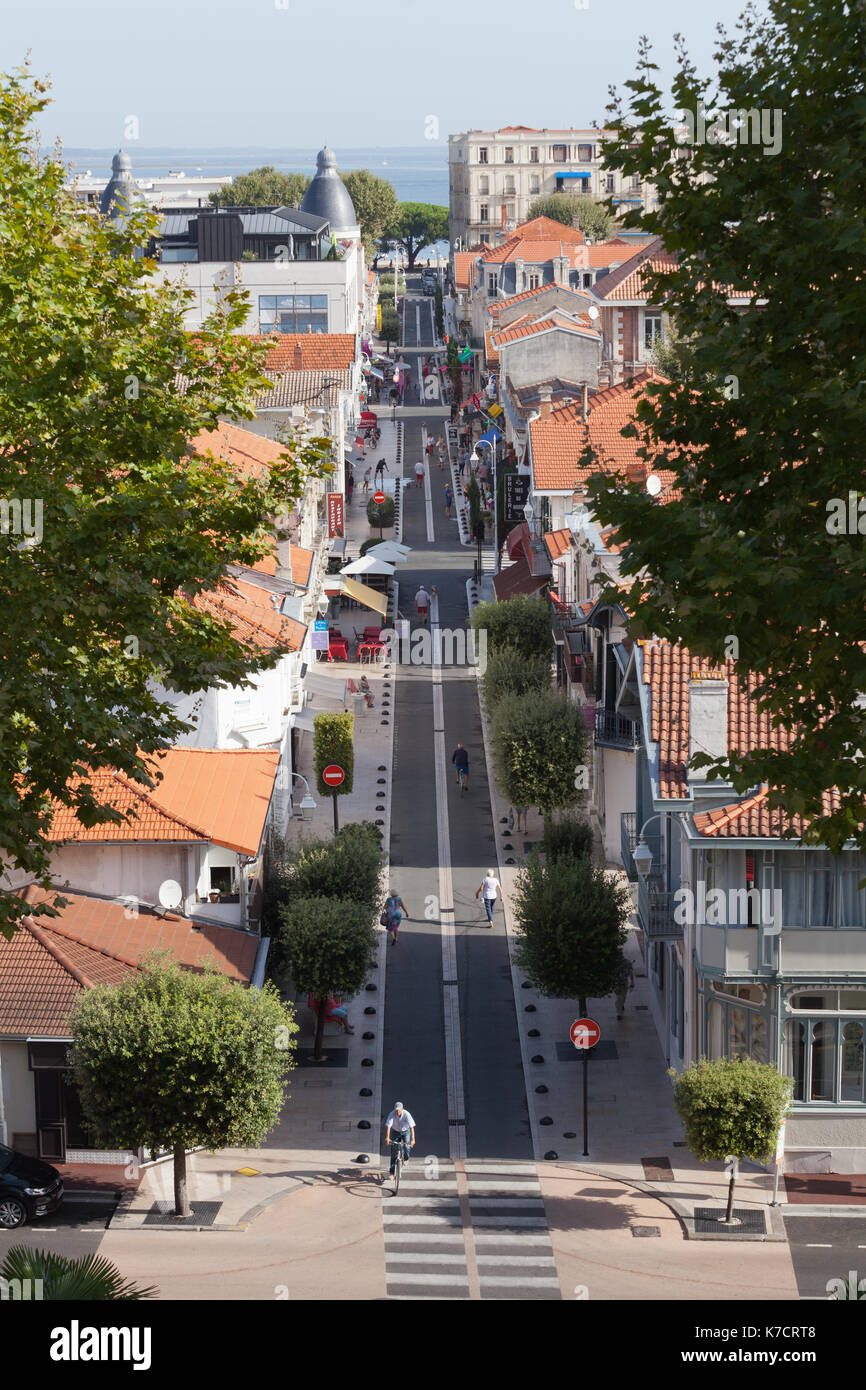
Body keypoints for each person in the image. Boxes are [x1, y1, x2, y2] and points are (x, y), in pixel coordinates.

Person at [385, 1101, 416, 1175]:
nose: (397, 1112)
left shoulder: (407, 1114)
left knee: (407, 1146)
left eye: (399, 1110)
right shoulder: (392, 1114)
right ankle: (392, 1173)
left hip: (406, 1131)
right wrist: (387, 1138)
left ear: (402, 1109)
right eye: (396, 1110)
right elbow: (388, 1127)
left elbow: (412, 1127)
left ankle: (406, 1158)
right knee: (393, 1152)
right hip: (395, 1132)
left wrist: (413, 1139)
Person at [614, 955, 635, 1020]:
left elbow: (631, 972)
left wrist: (632, 982)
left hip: (624, 982)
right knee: (618, 998)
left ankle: (622, 1005)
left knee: (623, 997)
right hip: (616, 982)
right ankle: (619, 1014)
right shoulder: (614, 962)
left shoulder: (627, 962)